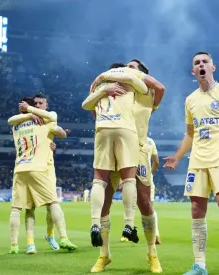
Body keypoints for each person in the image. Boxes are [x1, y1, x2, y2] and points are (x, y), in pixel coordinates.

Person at [163, 52, 219, 275]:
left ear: (213, 67)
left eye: (204, 62)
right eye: (197, 63)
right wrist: (177, 156)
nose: (201, 65)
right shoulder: (190, 100)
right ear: (193, 71)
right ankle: (200, 265)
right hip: (198, 160)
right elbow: (190, 134)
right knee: (196, 209)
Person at [84, 60, 165, 273]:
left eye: (133, 67)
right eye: (126, 66)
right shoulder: (118, 91)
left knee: (145, 203)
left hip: (137, 148)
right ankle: (104, 255)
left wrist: (106, 77)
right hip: (114, 143)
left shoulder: (147, 94)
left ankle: (152, 254)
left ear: (142, 74)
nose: (128, 69)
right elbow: (96, 113)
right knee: (105, 203)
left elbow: (160, 87)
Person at [82, 62, 149, 248]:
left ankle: (95, 223)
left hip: (102, 128)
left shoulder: (100, 85)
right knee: (128, 180)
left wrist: (103, 87)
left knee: (99, 181)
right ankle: (129, 225)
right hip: (125, 129)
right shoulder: (130, 80)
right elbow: (144, 87)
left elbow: (85, 105)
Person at [9, 94, 77, 252]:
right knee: (48, 204)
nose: (38, 106)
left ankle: (23, 244)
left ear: (45, 105)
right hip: (39, 168)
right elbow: (60, 129)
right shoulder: (44, 121)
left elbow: (61, 133)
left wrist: (50, 143)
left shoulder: (17, 123)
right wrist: (31, 113)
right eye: (36, 103)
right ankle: (62, 238)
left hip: (23, 167)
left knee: (20, 208)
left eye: (41, 103)